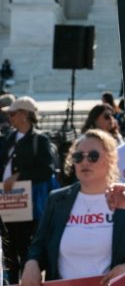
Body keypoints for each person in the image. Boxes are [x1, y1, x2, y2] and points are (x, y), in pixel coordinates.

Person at [21, 130, 125, 285]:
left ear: (111, 159)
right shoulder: (57, 199)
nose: (85, 162)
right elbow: (39, 244)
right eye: (78, 157)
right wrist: (31, 263)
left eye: (93, 156)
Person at [0, 96, 56, 284]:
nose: (9, 117)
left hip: (26, 203)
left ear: (24, 115)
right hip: (5, 202)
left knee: (25, 247)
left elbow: (46, 170)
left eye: (12, 113)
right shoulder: (7, 138)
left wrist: (19, 176)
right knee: (7, 248)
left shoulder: (39, 140)